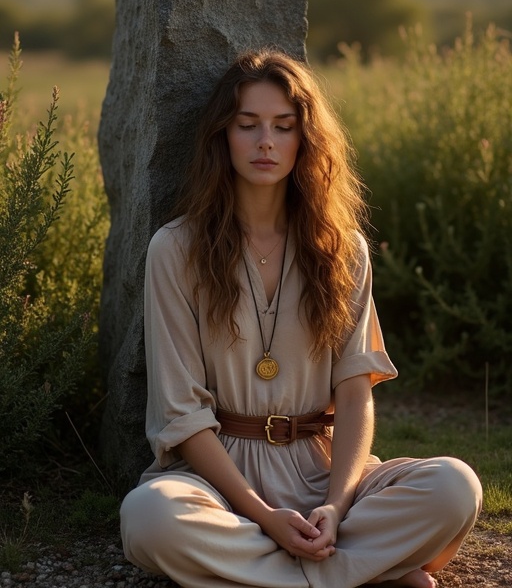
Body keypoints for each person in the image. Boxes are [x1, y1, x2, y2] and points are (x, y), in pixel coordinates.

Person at [120, 49, 482, 588]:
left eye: (283, 127)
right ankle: (367, 571)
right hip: (220, 484)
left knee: (457, 486)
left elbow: (356, 393)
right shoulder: (175, 250)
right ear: (223, 136)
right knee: (150, 518)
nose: (265, 141)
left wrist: (336, 507)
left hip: (323, 475)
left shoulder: (343, 249)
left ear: (303, 140)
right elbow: (182, 416)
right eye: (248, 125)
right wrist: (264, 516)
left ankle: (274, 569)